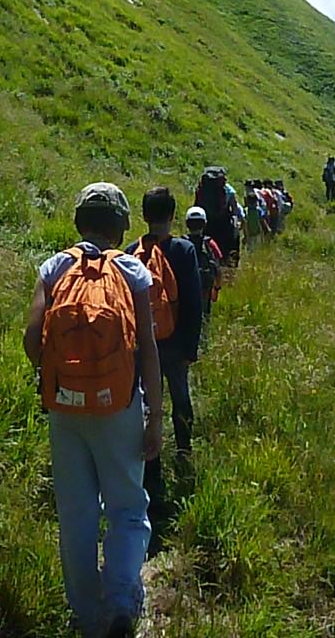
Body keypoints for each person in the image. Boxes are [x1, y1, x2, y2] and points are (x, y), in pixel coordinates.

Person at [24, 183, 161, 638]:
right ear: (121, 225)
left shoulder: (54, 266)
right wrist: (154, 416)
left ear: (79, 221)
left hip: (64, 407)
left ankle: (87, 617)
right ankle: (121, 600)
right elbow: (147, 352)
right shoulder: (132, 271)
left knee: (77, 511)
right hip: (119, 404)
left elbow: (31, 340)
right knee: (126, 505)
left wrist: (64, 373)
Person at [126, 187, 203, 510]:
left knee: (146, 406)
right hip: (174, 346)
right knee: (181, 400)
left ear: (144, 216)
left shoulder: (131, 253)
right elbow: (193, 303)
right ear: (173, 216)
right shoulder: (184, 250)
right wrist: (190, 348)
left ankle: (150, 469)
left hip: (145, 348)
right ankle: (184, 452)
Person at [183, 206, 222, 333]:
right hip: (205, 289)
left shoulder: (181, 243)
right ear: (204, 224)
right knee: (204, 319)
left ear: (187, 224)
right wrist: (216, 288)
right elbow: (218, 267)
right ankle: (203, 343)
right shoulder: (210, 244)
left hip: (184, 291)